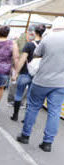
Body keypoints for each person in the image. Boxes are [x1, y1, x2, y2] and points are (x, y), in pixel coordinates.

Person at [17, 18, 64, 152]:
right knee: (54, 112)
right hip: (61, 83)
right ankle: (47, 143)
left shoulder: (48, 38)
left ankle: (25, 135)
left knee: (33, 107)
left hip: (42, 80)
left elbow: (37, 54)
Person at [10, 24, 46, 121]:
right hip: (38, 75)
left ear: (34, 32)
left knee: (19, 94)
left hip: (25, 73)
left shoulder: (29, 44)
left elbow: (22, 60)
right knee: (31, 97)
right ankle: (27, 118)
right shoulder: (45, 45)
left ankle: (15, 115)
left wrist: (16, 73)